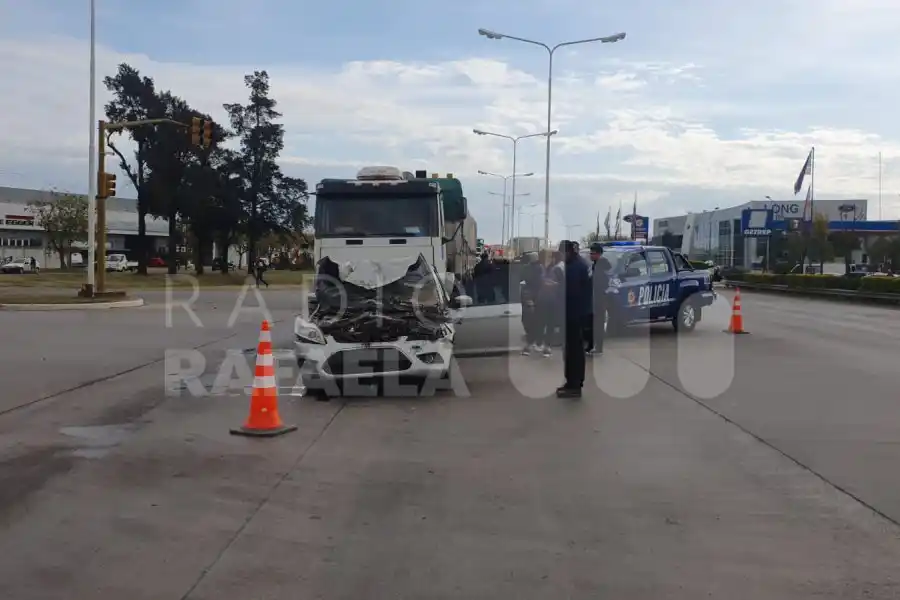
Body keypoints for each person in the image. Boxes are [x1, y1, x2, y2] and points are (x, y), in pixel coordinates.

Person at [557, 240, 590, 398]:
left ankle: (574, 385)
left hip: (574, 315)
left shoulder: (575, 268)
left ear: (569, 252)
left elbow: (571, 294)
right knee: (572, 350)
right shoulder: (577, 264)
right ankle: (571, 382)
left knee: (574, 351)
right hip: (576, 314)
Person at [585, 242, 612, 354]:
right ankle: (591, 346)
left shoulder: (603, 266)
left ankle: (598, 347)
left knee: (598, 325)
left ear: (599, 254)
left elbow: (604, 283)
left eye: (593, 253)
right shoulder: (594, 265)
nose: (591, 255)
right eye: (590, 253)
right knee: (591, 325)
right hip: (593, 299)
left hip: (599, 300)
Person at [520, 252, 545, 355]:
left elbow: (522, 280)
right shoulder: (540, 268)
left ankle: (533, 341)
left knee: (528, 320)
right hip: (536, 297)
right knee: (537, 321)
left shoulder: (528, 268)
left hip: (530, 297)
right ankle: (537, 342)